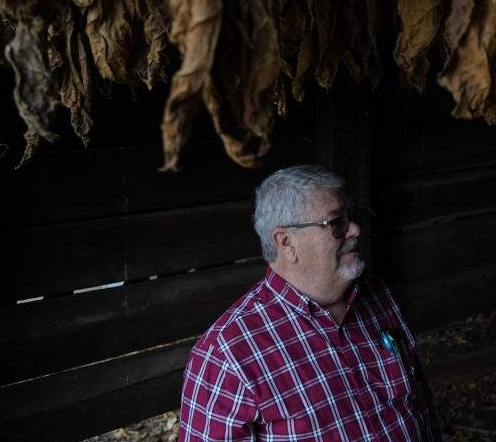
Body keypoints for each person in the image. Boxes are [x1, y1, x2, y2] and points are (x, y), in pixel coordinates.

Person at [179, 165, 443, 441]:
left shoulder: (377, 293)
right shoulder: (226, 355)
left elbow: (421, 406)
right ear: (286, 243)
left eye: (352, 217)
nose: (355, 229)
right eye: (336, 223)